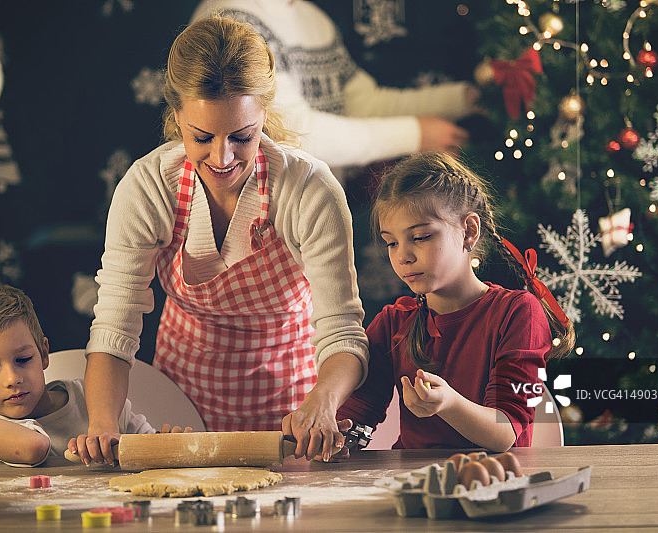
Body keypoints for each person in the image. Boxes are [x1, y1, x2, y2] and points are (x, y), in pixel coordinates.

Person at [70, 15, 369, 466]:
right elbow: (115, 326)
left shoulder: (309, 189)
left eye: (242, 137)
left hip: (292, 409)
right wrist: (104, 425)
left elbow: (342, 330)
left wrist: (323, 402)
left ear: (264, 115)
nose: (222, 157)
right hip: (176, 406)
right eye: (202, 137)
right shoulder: (149, 186)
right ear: (177, 118)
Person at [336, 152, 575, 452]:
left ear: (469, 231)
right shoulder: (391, 322)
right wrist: (339, 435)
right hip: (414, 489)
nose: (403, 256)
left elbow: (505, 434)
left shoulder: (518, 312)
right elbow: (359, 414)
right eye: (391, 242)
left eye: (421, 237)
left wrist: (448, 404)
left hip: (497, 485)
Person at [189, 0, 480, 174]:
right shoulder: (232, 21)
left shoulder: (314, 20)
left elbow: (362, 102)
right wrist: (415, 134)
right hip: (261, 231)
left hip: (317, 222)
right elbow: (292, 134)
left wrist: (464, 99)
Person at [0, 282, 155, 467]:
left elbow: (147, 444)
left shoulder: (90, 397)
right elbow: (34, 446)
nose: (13, 379)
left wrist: (167, 441)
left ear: (43, 353)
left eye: (23, 360)